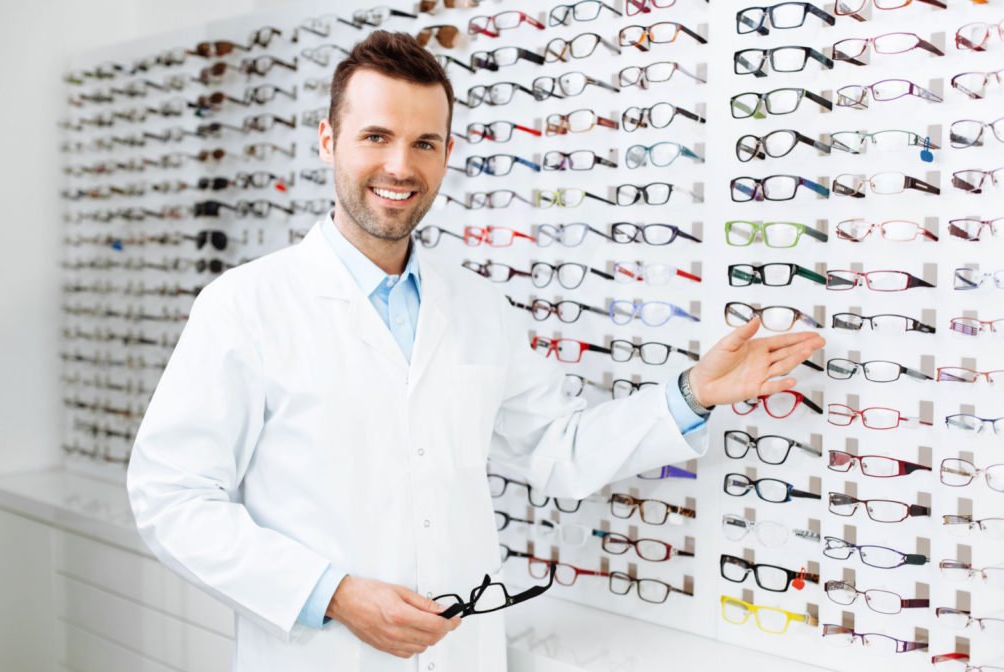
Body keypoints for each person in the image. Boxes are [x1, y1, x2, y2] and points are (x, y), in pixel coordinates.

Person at [127, 30, 824, 672]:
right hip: (321, 654)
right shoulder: (247, 306)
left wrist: (693, 393)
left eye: (425, 143)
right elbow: (172, 498)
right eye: (376, 136)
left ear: (448, 153)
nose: (400, 166)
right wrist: (332, 594)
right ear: (328, 140)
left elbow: (558, 448)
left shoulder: (478, 307)